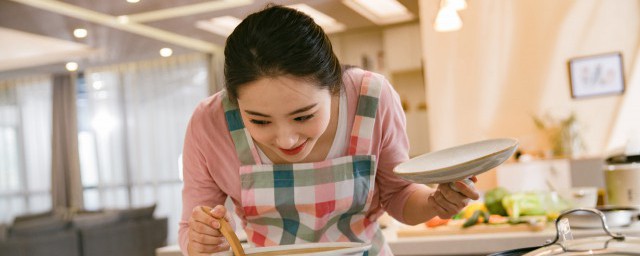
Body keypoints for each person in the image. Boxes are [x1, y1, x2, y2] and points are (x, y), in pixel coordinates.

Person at [179, 5, 479, 256]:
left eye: (303, 116)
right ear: (233, 99)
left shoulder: (370, 98)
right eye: (259, 121)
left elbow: (399, 196)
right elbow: (191, 230)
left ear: (336, 87)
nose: (286, 139)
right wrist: (203, 240)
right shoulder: (210, 122)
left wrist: (434, 203)